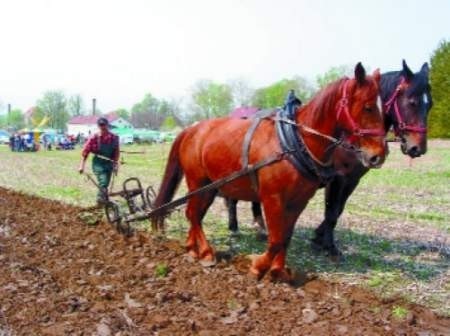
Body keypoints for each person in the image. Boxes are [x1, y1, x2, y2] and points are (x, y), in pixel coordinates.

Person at [78, 117, 120, 204]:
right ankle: (100, 199)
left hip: (109, 162)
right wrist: (81, 166)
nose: (103, 128)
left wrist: (115, 164)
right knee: (103, 181)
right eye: (101, 126)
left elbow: (116, 152)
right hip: (98, 163)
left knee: (106, 183)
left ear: (107, 125)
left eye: (104, 126)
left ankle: (103, 198)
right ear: (98, 126)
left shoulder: (114, 138)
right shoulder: (94, 138)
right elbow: (85, 152)